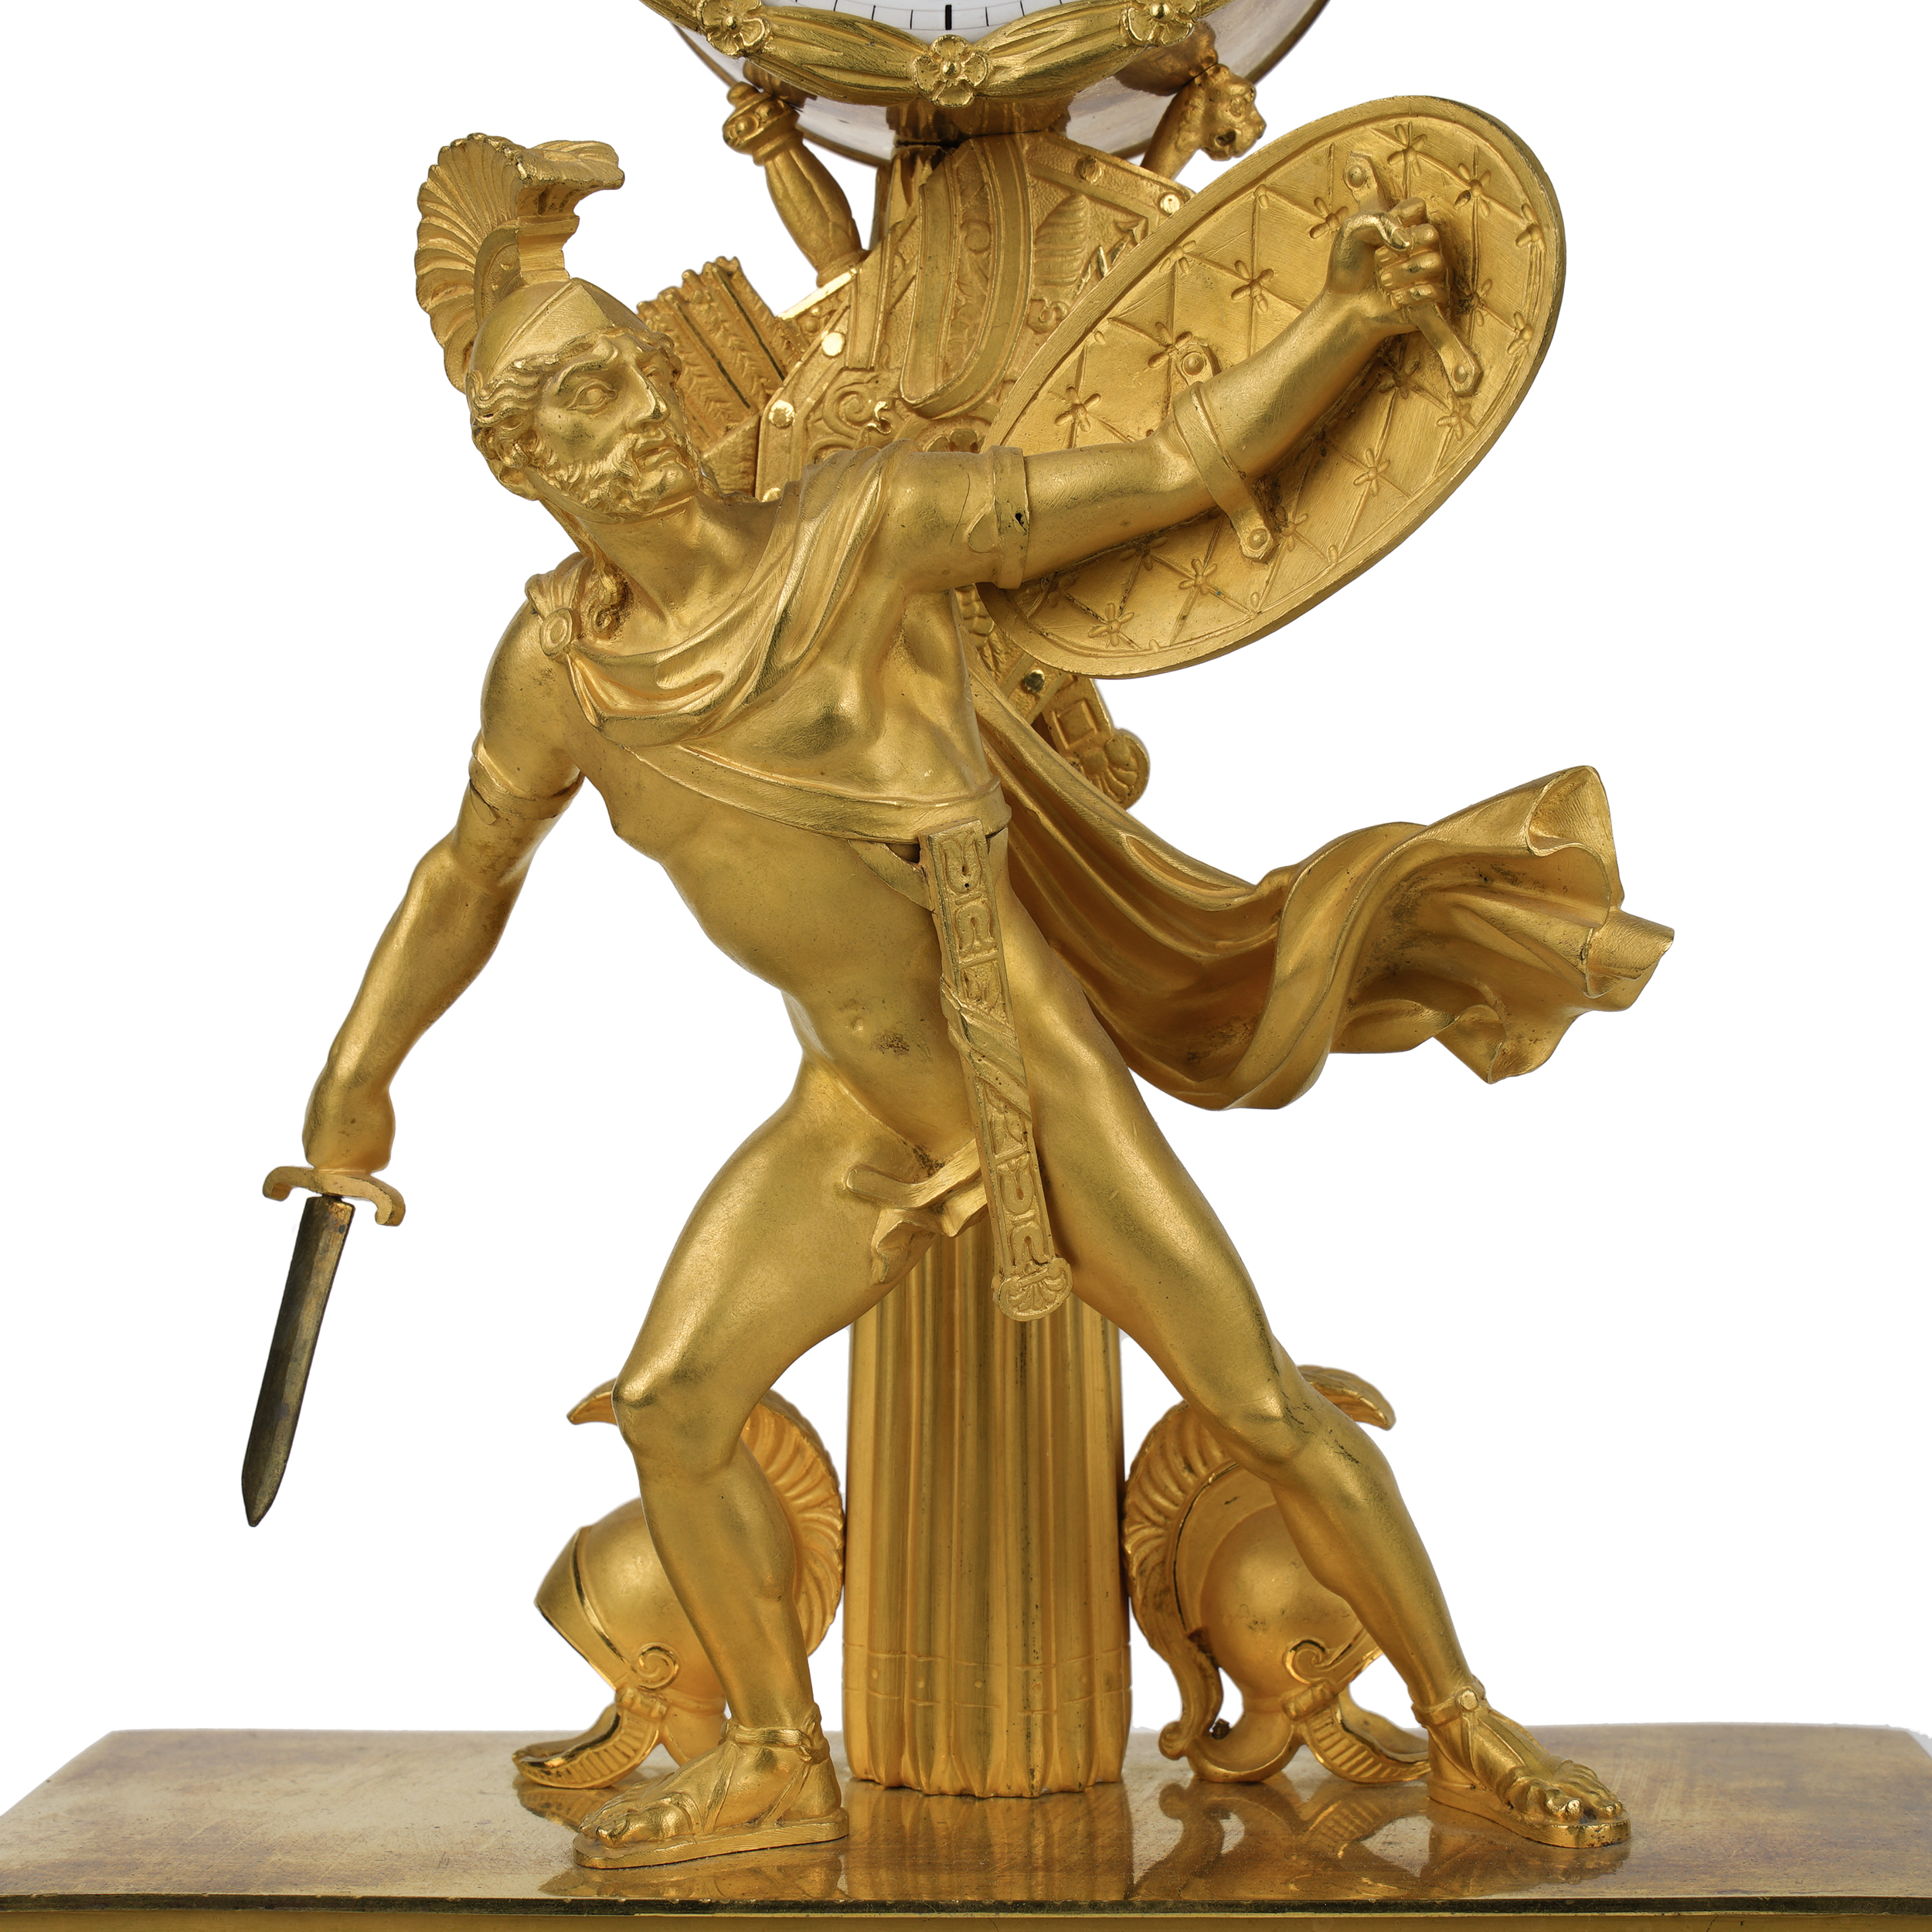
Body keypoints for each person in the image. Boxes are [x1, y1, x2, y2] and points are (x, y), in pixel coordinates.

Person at [284, 189, 1643, 1866]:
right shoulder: (557, 670)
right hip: (855, 1109)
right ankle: (779, 1755)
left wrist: (1344, 318)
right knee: (672, 1401)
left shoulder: (863, 528)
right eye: (576, 397)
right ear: (517, 461)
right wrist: (359, 1070)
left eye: (629, 367)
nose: (630, 409)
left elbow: (1165, 470)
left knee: (1258, 1398)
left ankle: (1465, 1722)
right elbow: (467, 869)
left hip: (1027, 1080)